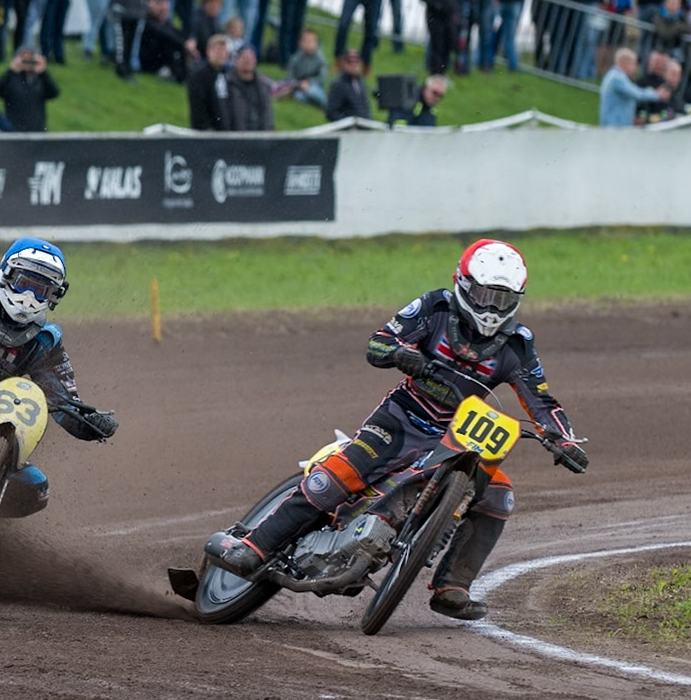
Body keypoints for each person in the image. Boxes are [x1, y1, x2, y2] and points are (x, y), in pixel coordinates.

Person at [209, 239, 587, 621]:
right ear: (464, 284)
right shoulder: (434, 308)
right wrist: (400, 354)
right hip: (400, 420)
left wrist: (563, 439)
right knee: (340, 476)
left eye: (502, 299)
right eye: (485, 294)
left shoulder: (519, 346)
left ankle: (452, 586)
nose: (491, 307)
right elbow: (378, 344)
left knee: (499, 496)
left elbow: (540, 400)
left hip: (455, 438)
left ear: (517, 300)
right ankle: (254, 547)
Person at [0, 237, 118, 444]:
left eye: (41, 290)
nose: (29, 297)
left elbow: (63, 403)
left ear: (54, 295)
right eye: (24, 284)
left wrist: (90, 423)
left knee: (35, 479)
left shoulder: (46, 340)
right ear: (7, 274)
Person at [0, 45, 60, 131]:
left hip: (37, 129)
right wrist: (10, 71)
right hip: (14, 129)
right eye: (24, 60)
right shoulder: (11, 78)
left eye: (30, 59)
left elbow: (54, 92)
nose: (27, 63)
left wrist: (43, 72)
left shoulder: (40, 79)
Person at [599, 46, 667, 128]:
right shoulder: (617, 79)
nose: (635, 68)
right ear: (624, 63)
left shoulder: (615, 76)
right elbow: (636, 94)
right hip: (614, 129)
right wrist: (657, 95)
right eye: (633, 64)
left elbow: (635, 90)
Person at [138, 0, 194, 82]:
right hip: (150, 60)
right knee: (170, 45)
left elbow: (177, 33)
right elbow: (166, 35)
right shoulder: (148, 22)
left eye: (165, 11)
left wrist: (189, 41)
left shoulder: (165, 23)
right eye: (161, 10)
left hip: (159, 58)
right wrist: (185, 45)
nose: (163, 12)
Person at [186, 32, 231, 130]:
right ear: (208, 51)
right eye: (218, 51)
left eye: (224, 51)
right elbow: (198, 108)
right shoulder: (199, 76)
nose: (221, 54)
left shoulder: (228, 75)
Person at [225, 43, 273, 131]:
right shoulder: (227, 84)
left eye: (251, 58)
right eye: (244, 57)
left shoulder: (263, 85)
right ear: (236, 60)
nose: (247, 61)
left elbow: (267, 114)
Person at [278, 28, 326, 109]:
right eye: (306, 41)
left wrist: (308, 83)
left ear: (316, 43)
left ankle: (325, 105)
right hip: (299, 88)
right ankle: (313, 105)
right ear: (300, 43)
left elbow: (321, 78)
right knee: (299, 97)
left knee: (312, 92)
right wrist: (299, 84)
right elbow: (290, 77)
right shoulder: (295, 58)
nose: (308, 44)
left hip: (314, 86)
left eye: (311, 41)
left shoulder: (320, 60)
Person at [325, 48, 371, 121]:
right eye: (349, 61)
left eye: (357, 61)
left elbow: (365, 109)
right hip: (347, 130)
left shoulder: (361, 83)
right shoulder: (338, 84)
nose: (354, 64)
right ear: (343, 63)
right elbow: (331, 112)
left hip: (364, 128)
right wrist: (349, 124)